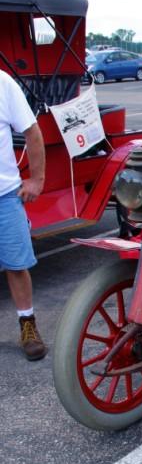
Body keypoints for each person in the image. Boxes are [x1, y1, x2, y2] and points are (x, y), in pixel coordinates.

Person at [0, 70, 47, 358]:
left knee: (16, 265)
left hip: (4, 195)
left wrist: (37, 180)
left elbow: (32, 131)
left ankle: (28, 324)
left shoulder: (3, 83)